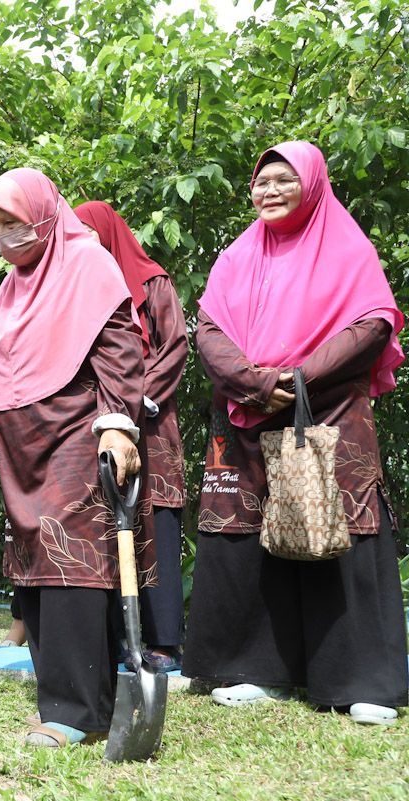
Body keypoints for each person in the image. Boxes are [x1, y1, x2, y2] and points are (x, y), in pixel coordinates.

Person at [182, 140, 407, 724]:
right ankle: (259, 671)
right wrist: (256, 383)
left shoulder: (347, 248)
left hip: (326, 411)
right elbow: (209, 329)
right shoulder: (237, 255)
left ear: (311, 184)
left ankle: (364, 681)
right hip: (246, 413)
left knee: (342, 529)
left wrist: (300, 377)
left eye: (284, 180)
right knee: (249, 537)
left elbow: (374, 323)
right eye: (261, 182)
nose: (270, 191)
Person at [0, 168, 149, 748]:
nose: (6, 239)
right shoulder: (12, 289)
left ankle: (77, 710)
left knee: (71, 559)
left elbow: (119, 345)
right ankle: (65, 698)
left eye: (14, 224)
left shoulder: (90, 265)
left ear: (45, 215)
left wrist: (119, 426)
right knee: (34, 562)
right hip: (20, 439)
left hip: (73, 430)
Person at [74, 200, 189, 672]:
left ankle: (162, 642)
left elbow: (174, 345)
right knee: (103, 525)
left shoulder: (151, 282)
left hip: (151, 423)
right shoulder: (73, 287)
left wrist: (134, 403)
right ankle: (117, 638)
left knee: (155, 521)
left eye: (90, 233)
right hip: (93, 422)